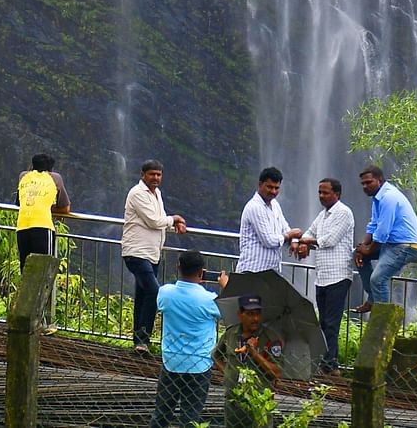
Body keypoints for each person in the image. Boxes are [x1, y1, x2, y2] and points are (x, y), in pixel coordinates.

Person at [148, 250, 228, 428]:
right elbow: (231, 312)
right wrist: (226, 288)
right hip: (199, 364)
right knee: (190, 416)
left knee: (162, 413)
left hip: (172, 361)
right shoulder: (210, 300)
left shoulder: (165, 293)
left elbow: (161, 306)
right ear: (202, 273)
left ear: (178, 268)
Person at [121, 159, 188, 354]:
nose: (156, 178)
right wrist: (174, 219)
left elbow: (159, 219)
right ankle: (143, 340)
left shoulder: (156, 193)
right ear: (143, 175)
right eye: (152, 174)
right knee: (153, 291)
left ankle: (139, 341)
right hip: (136, 252)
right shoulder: (136, 193)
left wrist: (173, 224)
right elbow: (153, 220)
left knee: (143, 295)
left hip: (152, 253)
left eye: (158, 174)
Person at [294, 177, 353, 372]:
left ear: (337, 194)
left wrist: (305, 243)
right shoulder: (323, 214)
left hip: (338, 275)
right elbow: (311, 231)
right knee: (323, 321)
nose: (321, 196)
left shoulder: (344, 213)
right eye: (319, 192)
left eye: (325, 192)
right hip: (323, 276)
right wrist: (302, 243)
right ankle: (326, 363)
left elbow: (329, 240)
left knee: (331, 323)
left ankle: (329, 365)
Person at [352, 165, 417, 312]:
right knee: (358, 256)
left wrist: (369, 249)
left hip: (406, 246)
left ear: (380, 180)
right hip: (391, 245)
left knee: (377, 280)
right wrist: (361, 249)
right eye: (363, 183)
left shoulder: (388, 197)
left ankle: (381, 321)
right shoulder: (378, 199)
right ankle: (372, 299)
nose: (365, 186)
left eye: (369, 182)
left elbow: (383, 231)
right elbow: (373, 225)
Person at [216, 292, 285, 428]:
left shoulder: (270, 338)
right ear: (240, 314)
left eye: (258, 313)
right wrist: (227, 372)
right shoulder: (231, 334)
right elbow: (216, 355)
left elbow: (276, 373)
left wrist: (254, 353)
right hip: (234, 402)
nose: (255, 318)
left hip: (259, 404)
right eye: (250, 314)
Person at [16, 153, 71, 319]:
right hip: (43, 226)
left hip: (22, 226)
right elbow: (65, 208)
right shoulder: (55, 178)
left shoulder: (23, 177)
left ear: (32, 166)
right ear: (51, 169)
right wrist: (48, 208)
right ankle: (43, 318)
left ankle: (23, 315)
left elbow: (20, 202)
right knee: (44, 273)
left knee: (26, 271)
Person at [237, 167, 301, 275]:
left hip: (270, 271)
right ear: (260, 184)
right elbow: (269, 241)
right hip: (252, 270)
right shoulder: (254, 207)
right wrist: (290, 235)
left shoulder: (275, 205)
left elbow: (285, 228)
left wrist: (294, 241)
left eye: (277, 188)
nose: (273, 191)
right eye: (269, 187)